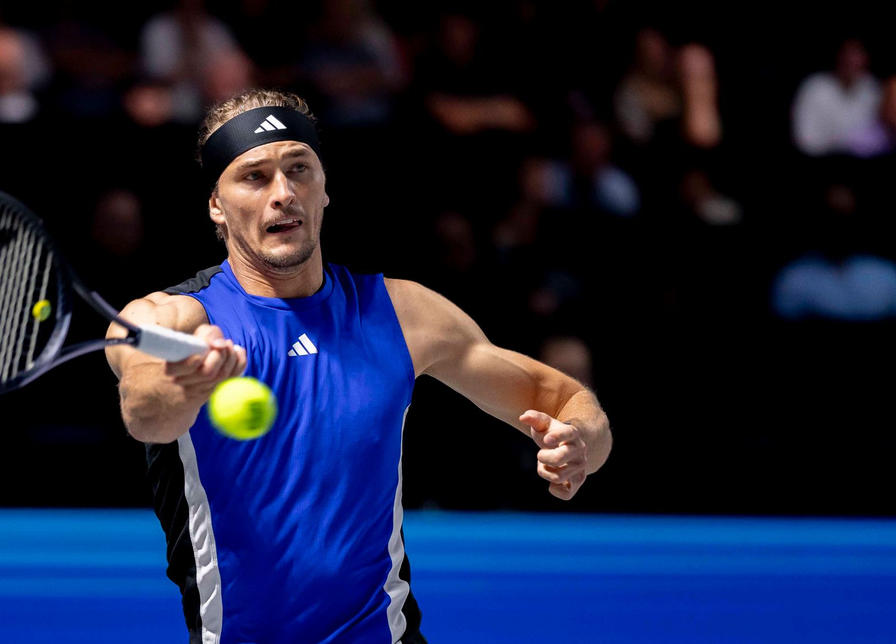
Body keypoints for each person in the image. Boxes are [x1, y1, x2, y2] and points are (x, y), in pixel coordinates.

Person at [104, 89, 613, 644]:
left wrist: (581, 441)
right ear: (216, 206)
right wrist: (187, 385)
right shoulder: (172, 318)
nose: (283, 193)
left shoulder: (403, 313)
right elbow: (145, 411)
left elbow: (563, 397)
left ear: (324, 190)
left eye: (299, 168)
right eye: (254, 177)